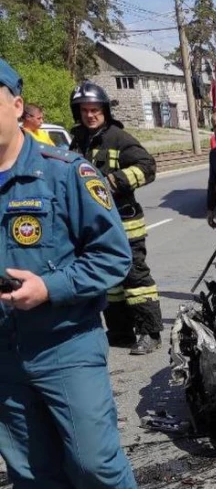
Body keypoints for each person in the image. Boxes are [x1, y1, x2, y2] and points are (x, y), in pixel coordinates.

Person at [0, 59, 147, 489]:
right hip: (5, 352)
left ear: (17, 105)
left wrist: (52, 288)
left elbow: (113, 257)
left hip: (65, 341)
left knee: (91, 456)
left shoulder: (66, 172)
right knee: (30, 464)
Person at [69, 82, 162, 354]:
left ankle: (150, 333)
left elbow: (147, 167)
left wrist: (114, 181)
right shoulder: (78, 139)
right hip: (94, 226)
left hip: (125, 223)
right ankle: (121, 332)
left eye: (95, 110)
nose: (90, 115)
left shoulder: (118, 137)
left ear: (105, 111)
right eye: (84, 110)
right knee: (109, 281)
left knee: (135, 278)